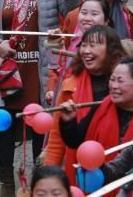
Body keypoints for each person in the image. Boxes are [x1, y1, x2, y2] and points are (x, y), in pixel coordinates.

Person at [0, 0, 78, 195]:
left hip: (39, 67)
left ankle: (39, 183)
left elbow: (71, 15)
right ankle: (6, 182)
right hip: (7, 67)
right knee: (4, 122)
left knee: (40, 125)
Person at [43, 25, 127, 179]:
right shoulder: (70, 86)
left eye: (93, 46)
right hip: (79, 170)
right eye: (84, 45)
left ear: (112, 51)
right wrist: (49, 176)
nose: (86, 51)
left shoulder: (124, 88)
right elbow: (58, 139)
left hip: (119, 171)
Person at [59, 57, 133, 174]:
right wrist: (68, 121)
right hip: (100, 181)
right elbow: (75, 141)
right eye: (112, 79)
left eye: (120, 81)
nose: (114, 86)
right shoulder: (101, 108)